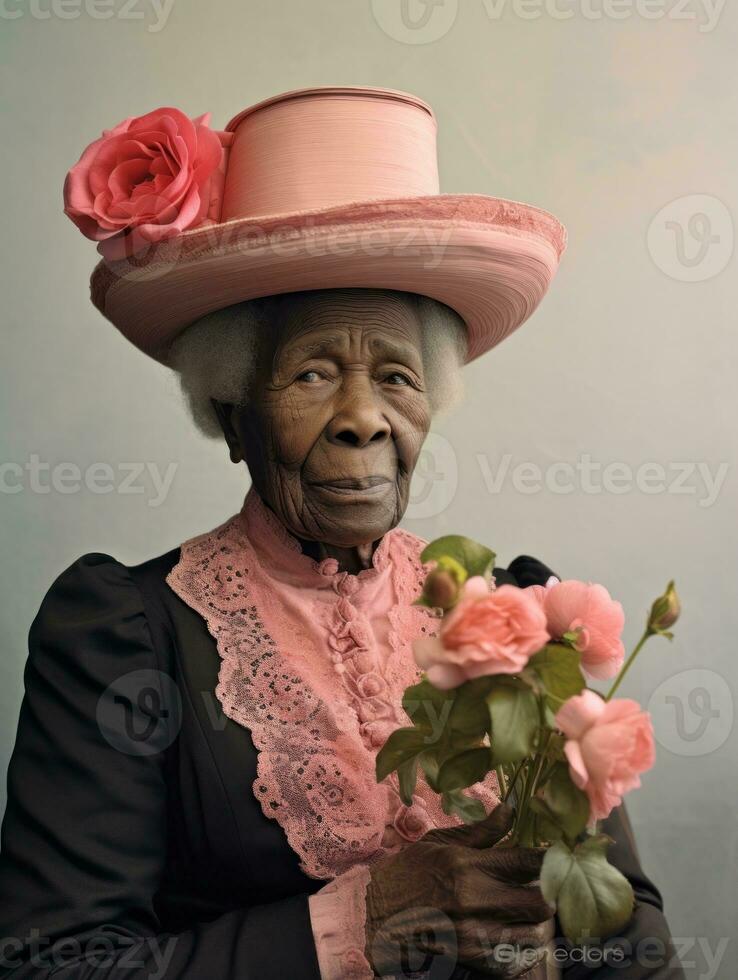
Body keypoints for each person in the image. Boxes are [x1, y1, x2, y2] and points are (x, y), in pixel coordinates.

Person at [0, 87, 684, 979]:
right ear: (232, 411)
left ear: (429, 411)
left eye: (397, 377)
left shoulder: (518, 615)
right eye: (313, 373)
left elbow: (633, 936)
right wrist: (366, 922)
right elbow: (56, 964)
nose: (363, 419)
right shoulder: (126, 634)